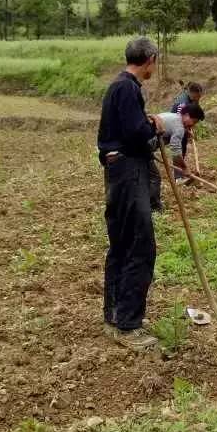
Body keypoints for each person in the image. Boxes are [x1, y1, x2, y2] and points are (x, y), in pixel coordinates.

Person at [96, 37, 165, 350]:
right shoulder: (128, 88)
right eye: (156, 60)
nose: (155, 65)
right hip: (129, 173)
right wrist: (156, 129)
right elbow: (137, 136)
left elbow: (126, 128)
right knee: (139, 247)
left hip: (118, 172)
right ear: (149, 58)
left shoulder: (119, 88)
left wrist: (145, 122)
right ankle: (128, 324)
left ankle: (115, 316)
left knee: (121, 245)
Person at [148, 103, 206, 210]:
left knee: (147, 176)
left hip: (142, 144)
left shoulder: (174, 117)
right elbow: (175, 153)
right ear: (187, 115)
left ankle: (149, 204)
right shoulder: (179, 127)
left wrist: (185, 131)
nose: (193, 125)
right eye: (194, 121)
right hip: (143, 146)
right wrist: (184, 168)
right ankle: (154, 207)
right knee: (154, 177)